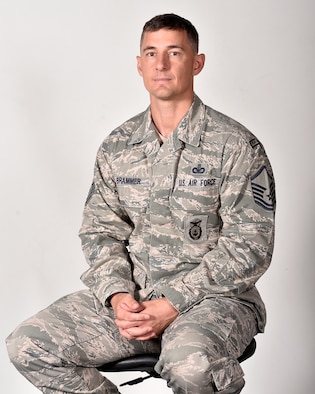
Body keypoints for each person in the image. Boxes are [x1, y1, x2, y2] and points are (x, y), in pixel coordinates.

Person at [6, 13, 276, 394]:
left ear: (197, 63)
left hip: (215, 301)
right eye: (151, 53)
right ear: (139, 64)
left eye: (174, 53)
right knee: (29, 344)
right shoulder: (118, 146)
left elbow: (249, 247)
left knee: (192, 368)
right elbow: (101, 230)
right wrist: (117, 296)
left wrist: (172, 303)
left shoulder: (234, 146)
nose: (161, 65)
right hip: (136, 298)